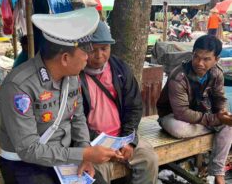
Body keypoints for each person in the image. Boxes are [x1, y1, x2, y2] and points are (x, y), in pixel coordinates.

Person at [0, 8, 123, 184]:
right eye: (85, 52)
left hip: (65, 155)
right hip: (24, 162)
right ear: (65, 58)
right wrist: (84, 154)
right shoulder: (19, 87)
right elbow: (29, 150)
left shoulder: (72, 78)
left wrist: (84, 153)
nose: (89, 57)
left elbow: (78, 118)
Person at [80, 21, 158, 184]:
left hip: (122, 135)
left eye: (104, 48)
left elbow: (134, 106)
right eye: (93, 49)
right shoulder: (75, 75)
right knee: (96, 173)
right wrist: (100, 144)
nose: (99, 55)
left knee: (149, 159)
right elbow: (74, 119)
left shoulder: (120, 69)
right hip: (92, 141)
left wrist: (129, 140)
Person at [157, 35, 232, 184]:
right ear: (192, 54)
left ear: (216, 59)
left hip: (201, 117)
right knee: (179, 128)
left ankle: (218, 173)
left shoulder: (216, 73)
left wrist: (223, 113)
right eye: (196, 57)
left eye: (206, 59)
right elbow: (181, 113)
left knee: (228, 123)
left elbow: (219, 99)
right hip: (173, 116)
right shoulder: (179, 76)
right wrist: (217, 120)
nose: (199, 63)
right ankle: (215, 127)